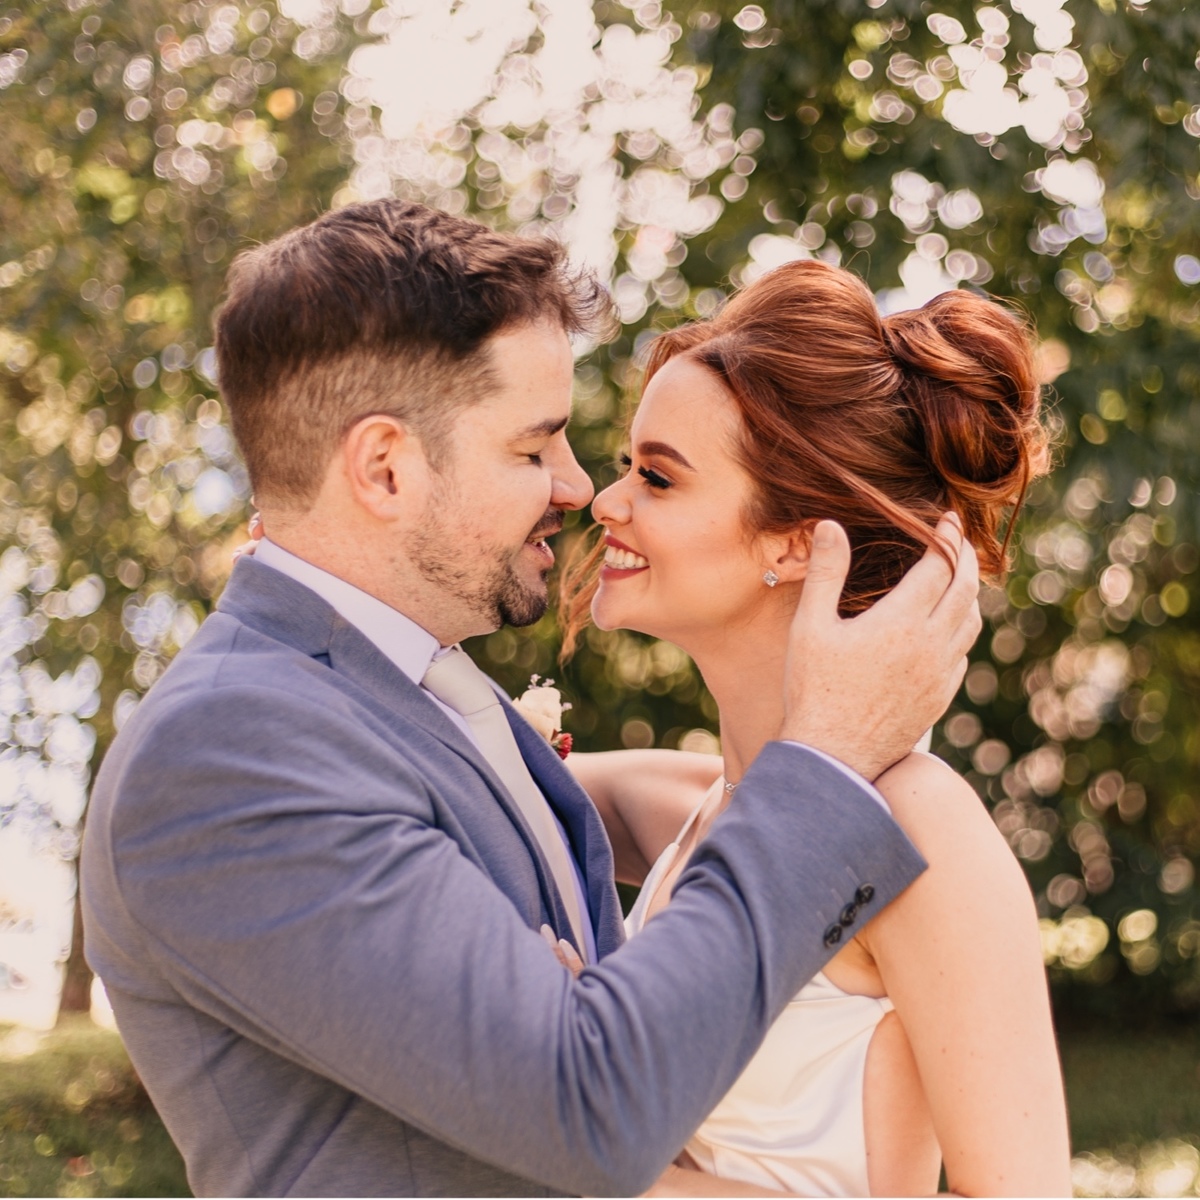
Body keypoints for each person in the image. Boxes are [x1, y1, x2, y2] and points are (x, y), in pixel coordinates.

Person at [81, 201, 982, 1197]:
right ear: (384, 468)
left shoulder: (390, 689)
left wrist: (794, 771)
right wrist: (823, 759)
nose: (577, 485)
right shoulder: (229, 751)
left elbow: (603, 808)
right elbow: (592, 1106)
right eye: (532, 448)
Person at [562, 259, 1071, 1196]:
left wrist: (581, 1167)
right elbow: (480, 786)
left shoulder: (917, 829)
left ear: (794, 541)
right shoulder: (707, 802)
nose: (608, 500)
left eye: (658, 477)